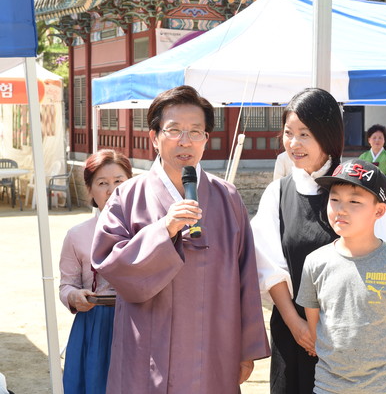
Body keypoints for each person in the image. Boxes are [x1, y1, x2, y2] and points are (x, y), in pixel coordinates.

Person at [91, 85, 270, 393]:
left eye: (196, 132)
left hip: (213, 347)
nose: (185, 141)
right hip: (146, 347)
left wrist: (246, 348)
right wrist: (164, 230)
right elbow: (109, 263)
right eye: (174, 130)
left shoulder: (227, 197)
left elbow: (246, 278)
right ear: (154, 137)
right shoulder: (128, 195)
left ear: (206, 140)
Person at [251, 88, 386, 394]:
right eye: (288, 133)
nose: (294, 143)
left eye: (305, 134)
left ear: (328, 135)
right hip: (292, 333)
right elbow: (269, 266)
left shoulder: (357, 189)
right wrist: (299, 327)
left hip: (349, 340)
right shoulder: (278, 193)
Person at [296, 159, 386, 393]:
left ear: (379, 211)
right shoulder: (315, 262)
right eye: (334, 199)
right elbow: (316, 327)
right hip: (329, 386)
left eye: (354, 201)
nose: (341, 209)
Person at [59, 149, 133, 394]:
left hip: (139, 321)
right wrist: (74, 296)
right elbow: (66, 284)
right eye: (102, 183)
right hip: (95, 323)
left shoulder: (148, 231)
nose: (111, 190)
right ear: (89, 189)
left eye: (119, 181)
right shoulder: (77, 235)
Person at [359, 124, 386, 207]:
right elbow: (358, 174)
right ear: (369, 140)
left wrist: (384, 190)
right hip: (368, 191)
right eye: (374, 138)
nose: (377, 140)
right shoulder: (363, 157)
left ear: (384, 140)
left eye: (380, 137)